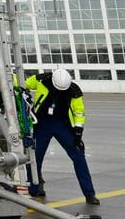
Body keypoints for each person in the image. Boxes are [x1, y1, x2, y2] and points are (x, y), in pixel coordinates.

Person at [25, 67, 98, 205]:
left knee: (78, 157)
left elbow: (79, 112)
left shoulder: (74, 91)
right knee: (35, 158)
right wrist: (30, 85)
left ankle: (89, 194)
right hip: (42, 124)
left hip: (63, 125)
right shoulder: (42, 81)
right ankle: (33, 191)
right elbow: (25, 84)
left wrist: (78, 132)